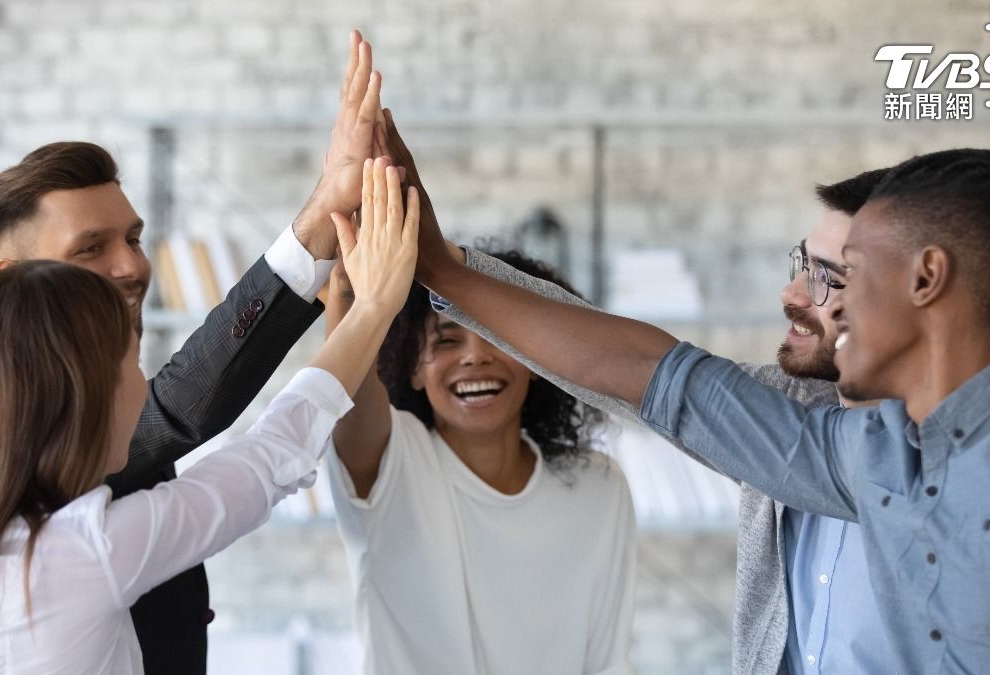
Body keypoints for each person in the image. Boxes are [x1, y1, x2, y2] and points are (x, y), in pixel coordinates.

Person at [411, 147, 990, 673]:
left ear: (926, 279)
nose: (828, 303)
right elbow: (645, 370)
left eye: (847, 273)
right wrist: (442, 268)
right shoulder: (858, 453)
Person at [381, 109, 892, 673]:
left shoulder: (969, 468)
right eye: (801, 262)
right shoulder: (784, 410)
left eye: (827, 276)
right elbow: (622, 361)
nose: (791, 292)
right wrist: (443, 264)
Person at [0, 157, 420, 675]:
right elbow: (271, 454)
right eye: (128, 363)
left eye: (134, 239)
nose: (146, 386)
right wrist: (374, 307)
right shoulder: (89, 551)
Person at [0, 31, 384, 674]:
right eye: (90, 249)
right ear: (10, 277)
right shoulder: (19, 442)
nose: (131, 265)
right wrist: (333, 236)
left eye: (133, 237)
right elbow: (184, 416)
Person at [321, 244, 635, 675]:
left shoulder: (598, 488)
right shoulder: (392, 463)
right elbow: (351, 402)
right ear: (413, 367)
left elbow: (609, 664)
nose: (475, 356)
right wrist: (350, 303)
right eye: (448, 339)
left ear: (538, 359)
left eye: (499, 338)